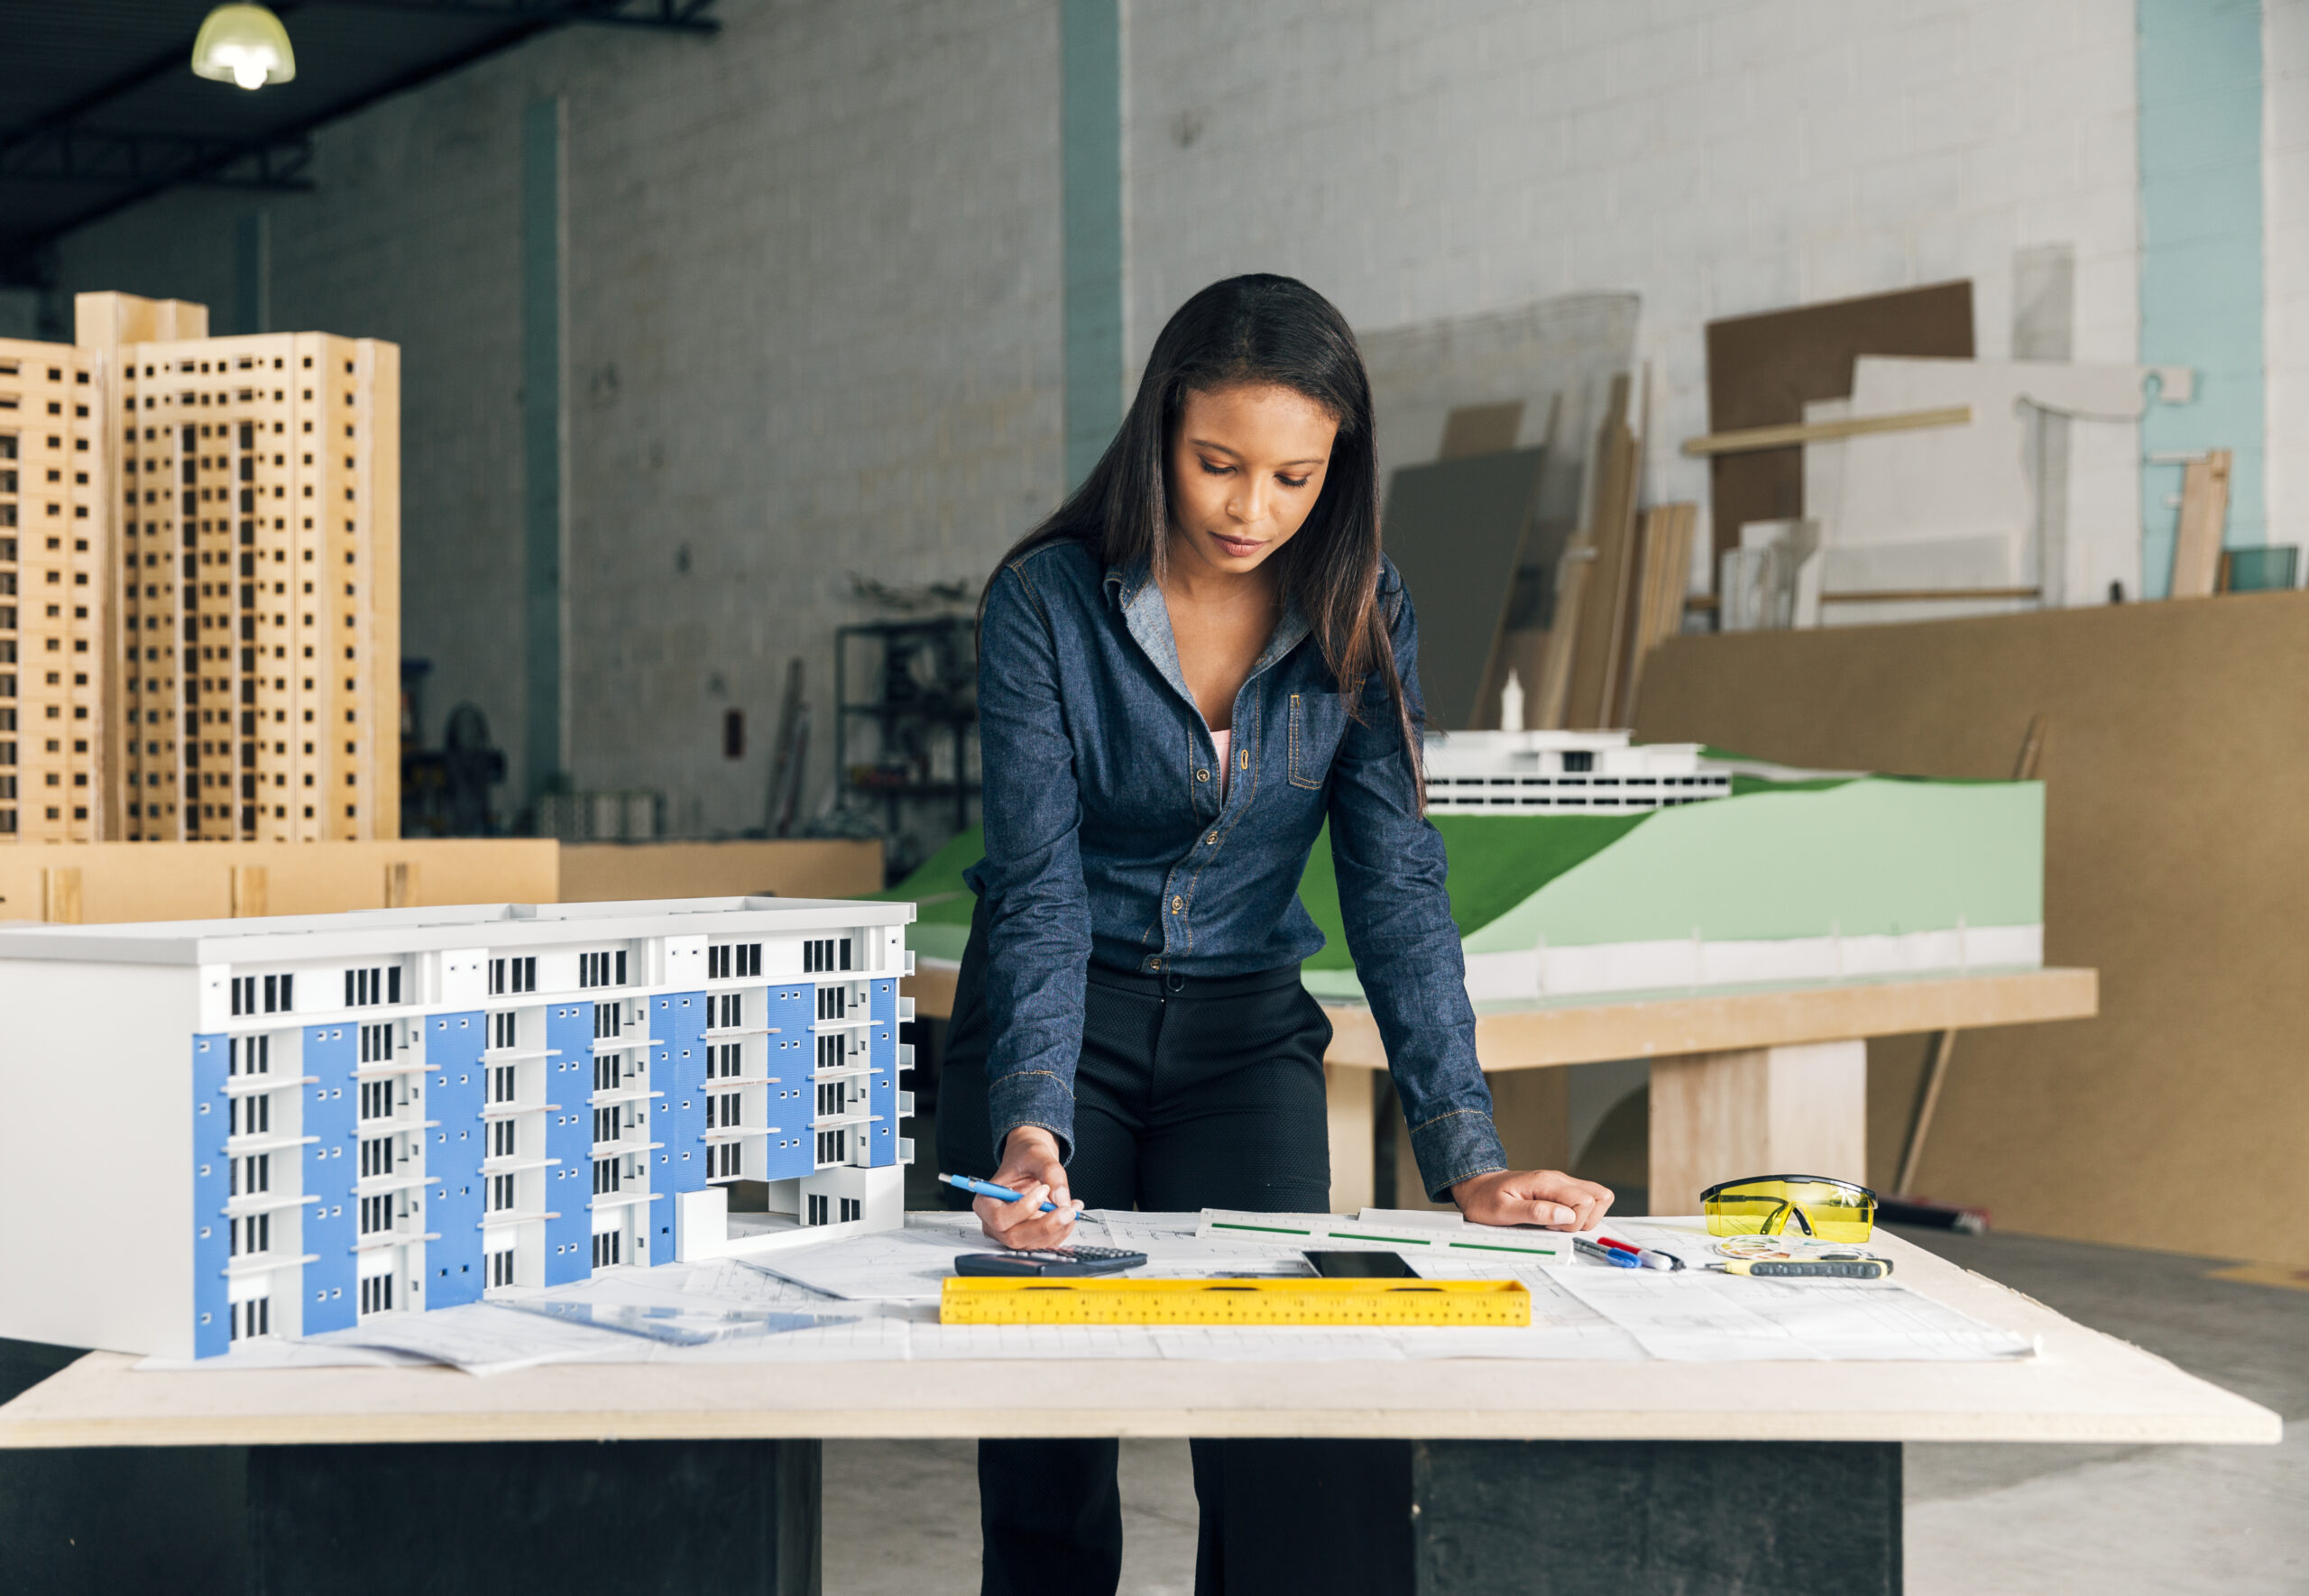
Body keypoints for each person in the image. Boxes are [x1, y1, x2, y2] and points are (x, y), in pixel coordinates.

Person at [935, 273, 1614, 1596]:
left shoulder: (1366, 607)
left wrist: (1465, 1157)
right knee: (1047, 1461)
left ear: (1339, 469)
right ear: (1160, 435)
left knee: (1276, 1424)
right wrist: (1029, 1117)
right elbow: (1035, 886)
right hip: (1057, 1023)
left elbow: (1398, 882)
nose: (1252, 510)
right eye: (1217, 465)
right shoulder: (1044, 604)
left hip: (1245, 1043)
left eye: (1296, 477)